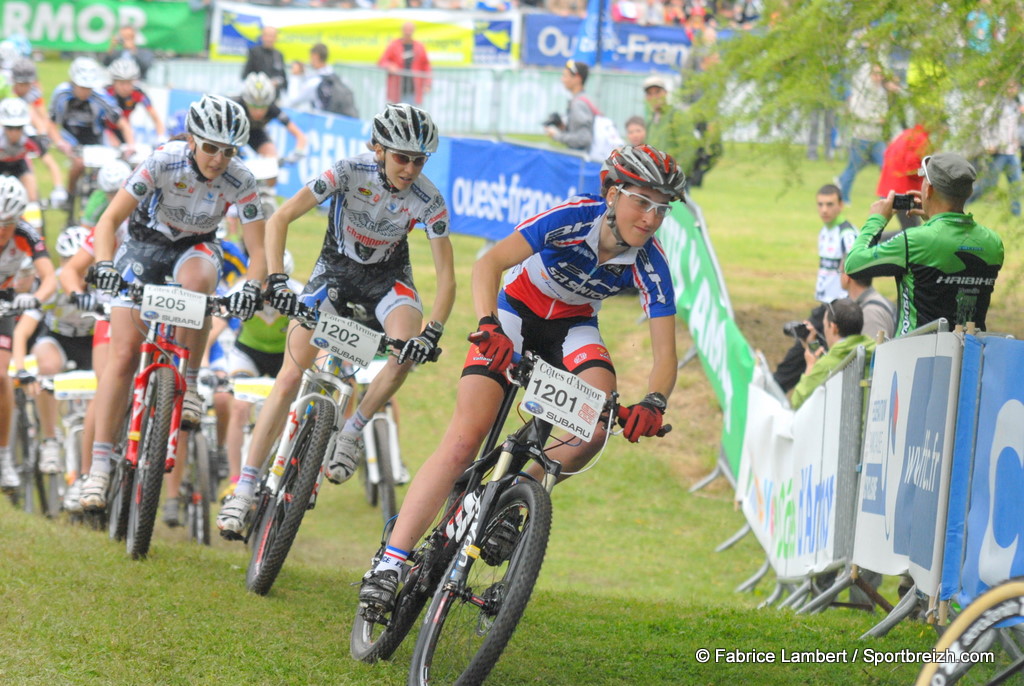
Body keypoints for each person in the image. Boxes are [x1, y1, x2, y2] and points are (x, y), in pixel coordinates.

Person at [357, 144, 682, 613]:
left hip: (572, 329)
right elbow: (488, 264)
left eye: (662, 208)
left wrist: (654, 402)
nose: (651, 218)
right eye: (642, 202)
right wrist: (488, 323)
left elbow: (664, 352)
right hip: (514, 312)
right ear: (612, 193)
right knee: (465, 437)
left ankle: (512, 499)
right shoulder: (573, 217)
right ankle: (390, 562)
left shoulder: (652, 262)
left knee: (594, 426)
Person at [216, 104, 455, 535]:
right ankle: (244, 490)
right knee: (289, 378)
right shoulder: (346, 171)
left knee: (404, 349)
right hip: (334, 276)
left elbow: (447, 277)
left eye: (419, 160)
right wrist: (277, 281)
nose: (411, 168)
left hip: (388, 283)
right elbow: (281, 218)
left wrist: (432, 332)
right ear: (378, 149)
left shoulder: (429, 199)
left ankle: (351, 431)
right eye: (402, 157)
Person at [78, 94, 268, 510]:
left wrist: (252, 287)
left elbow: (259, 253)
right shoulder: (164, 160)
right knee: (124, 355)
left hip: (194, 249)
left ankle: (193, 382)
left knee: (202, 281)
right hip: (144, 247)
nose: (219, 159)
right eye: (211, 147)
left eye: (229, 151)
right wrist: (106, 264)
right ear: (193, 140)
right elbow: (109, 220)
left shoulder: (241, 180)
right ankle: (99, 468)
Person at [845, 152, 1005, 336]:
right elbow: (956, 258)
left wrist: (876, 219)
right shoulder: (993, 242)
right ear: (968, 192)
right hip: (969, 356)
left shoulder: (915, 241)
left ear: (928, 189)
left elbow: (853, 265)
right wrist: (934, 220)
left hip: (915, 356)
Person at [11, 226, 94, 476]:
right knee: (46, 366)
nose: (78, 268)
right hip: (57, 339)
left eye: (83, 261)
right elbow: (22, 331)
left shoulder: (101, 283)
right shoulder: (55, 284)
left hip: (91, 341)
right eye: (69, 261)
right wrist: (23, 369)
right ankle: (50, 439)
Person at [0, 176, 57, 491]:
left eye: (8, 223)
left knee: (1, 377)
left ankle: (3, 456)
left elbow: (49, 278)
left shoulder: (26, 234)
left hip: (4, 304)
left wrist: (34, 298)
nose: (2, 231)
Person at [773, 184, 857, 392]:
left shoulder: (847, 235)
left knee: (803, 352)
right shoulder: (824, 232)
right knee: (810, 350)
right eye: (820, 205)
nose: (824, 210)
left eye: (830, 204)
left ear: (841, 205)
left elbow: (856, 272)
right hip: (824, 305)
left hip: (837, 309)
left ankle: (775, 388)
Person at [47, 57, 133, 213]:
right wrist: (60, 142)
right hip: (70, 136)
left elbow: (122, 123)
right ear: (73, 82)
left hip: (94, 137)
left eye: (89, 88)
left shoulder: (101, 96)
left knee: (108, 166)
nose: (85, 91)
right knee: (78, 163)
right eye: (81, 87)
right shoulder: (61, 94)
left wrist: (130, 145)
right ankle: (70, 196)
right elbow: (51, 124)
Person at [790, 298, 876, 409]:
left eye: (825, 326)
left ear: (834, 328)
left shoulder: (826, 366)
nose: (825, 331)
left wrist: (811, 366)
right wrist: (812, 344)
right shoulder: (875, 352)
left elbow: (797, 402)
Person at [836, 62, 899, 204]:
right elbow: (855, 111)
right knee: (853, 168)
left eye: (880, 74)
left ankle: (884, 198)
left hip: (876, 137)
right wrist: (875, 120)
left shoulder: (881, 92)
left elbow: (884, 111)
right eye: (875, 74)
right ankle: (843, 197)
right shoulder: (861, 91)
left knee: (885, 166)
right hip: (861, 136)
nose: (878, 77)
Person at [8, 59, 66, 206]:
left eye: (28, 84)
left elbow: (39, 114)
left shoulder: (34, 93)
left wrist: (42, 134)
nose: (25, 88)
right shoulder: (7, 92)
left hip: (25, 137)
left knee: (32, 194)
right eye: (21, 84)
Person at [968, 81, 1022, 217]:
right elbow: (985, 126)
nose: (1012, 90)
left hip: (1011, 151)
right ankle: (964, 202)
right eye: (1010, 87)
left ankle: (1016, 213)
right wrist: (988, 144)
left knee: (1016, 184)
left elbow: (1016, 127)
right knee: (987, 184)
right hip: (998, 152)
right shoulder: (997, 106)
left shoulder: (1016, 104)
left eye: (1014, 87)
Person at [235, 72, 307, 169]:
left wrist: (298, 152)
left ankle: (262, 183)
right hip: (234, 131)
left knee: (272, 163)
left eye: (263, 106)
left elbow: (299, 135)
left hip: (255, 132)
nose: (258, 111)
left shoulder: (272, 109)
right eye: (254, 106)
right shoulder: (235, 106)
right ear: (246, 102)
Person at [876, 122, 931, 229]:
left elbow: (886, 153)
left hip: (888, 189)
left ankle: (880, 242)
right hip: (903, 193)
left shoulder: (906, 134)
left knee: (910, 230)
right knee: (912, 232)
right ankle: (879, 243)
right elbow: (911, 169)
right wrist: (927, 173)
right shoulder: (921, 139)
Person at [286, 43, 359, 118]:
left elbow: (293, 99)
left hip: (323, 122)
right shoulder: (338, 78)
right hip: (342, 121)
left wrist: (295, 76)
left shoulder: (314, 82)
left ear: (315, 56)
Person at [104, 58, 166, 144]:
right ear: (113, 82)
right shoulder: (105, 92)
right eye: (122, 83)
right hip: (105, 129)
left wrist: (160, 137)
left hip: (125, 130)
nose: (126, 88)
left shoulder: (137, 93)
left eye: (129, 83)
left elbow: (155, 117)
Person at [544, 59, 594, 153]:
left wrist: (557, 135)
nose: (562, 79)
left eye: (565, 76)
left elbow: (584, 139)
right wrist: (562, 127)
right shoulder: (583, 99)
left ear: (577, 78)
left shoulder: (579, 103)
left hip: (581, 162)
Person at [379, 22, 432, 106]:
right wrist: (390, 66)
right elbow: (382, 61)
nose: (408, 32)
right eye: (406, 30)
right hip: (396, 88)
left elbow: (426, 66)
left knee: (411, 113)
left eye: (410, 30)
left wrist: (428, 83)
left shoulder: (419, 47)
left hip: (413, 89)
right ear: (402, 31)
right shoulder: (394, 45)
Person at [838, 262, 895, 340]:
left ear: (847, 277)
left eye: (840, 272)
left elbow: (874, 350)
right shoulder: (877, 301)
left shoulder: (870, 312)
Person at [241, 26, 288, 98]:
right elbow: (245, 75)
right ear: (262, 37)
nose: (269, 39)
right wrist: (263, 83)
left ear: (276, 38)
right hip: (257, 98)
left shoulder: (278, 55)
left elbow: (283, 78)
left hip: (274, 97)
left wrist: (277, 82)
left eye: (272, 36)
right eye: (267, 36)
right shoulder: (254, 52)